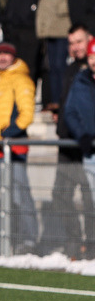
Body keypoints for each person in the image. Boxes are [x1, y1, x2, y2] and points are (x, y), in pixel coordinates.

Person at [0, 42, 38, 252]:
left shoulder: (20, 79)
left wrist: (8, 133)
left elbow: (26, 114)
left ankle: (28, 240)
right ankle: (9, 236)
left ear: (13, 57)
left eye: (6, 54)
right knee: (7, 195)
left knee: (20, 194)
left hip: (12, 148)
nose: (1, 58)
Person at [48, 25, 95, 257]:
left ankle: (91, 245)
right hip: (68, 142)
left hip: (88, 146)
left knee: (90, 199)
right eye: (71, 43)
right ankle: (74, 241)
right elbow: (69, 107)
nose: (75, 47)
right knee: (60, 195)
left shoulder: (88, 71)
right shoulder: (71, 71)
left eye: (79, 41)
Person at [36, 0, 75, 111]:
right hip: (49, 24)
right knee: (51, 66)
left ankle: (63, 99)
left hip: (63, 23)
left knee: (61, 64)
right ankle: (54, 99)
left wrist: (63, 8)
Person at [62, 37, 95, 222]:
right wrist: (82, 135)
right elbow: (70, 112)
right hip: (91, 151)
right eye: (91, 57)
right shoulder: (80, 80)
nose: (94, 61)